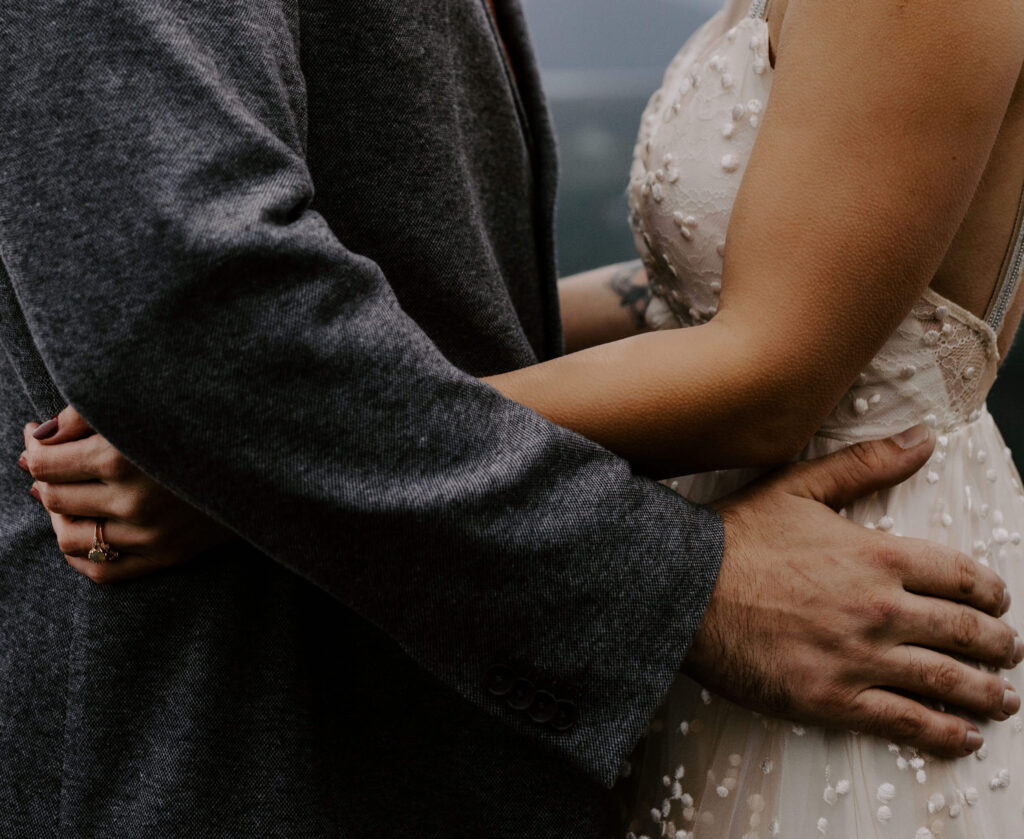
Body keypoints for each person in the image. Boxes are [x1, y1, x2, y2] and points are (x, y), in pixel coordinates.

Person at [4, 0, 1020, 836]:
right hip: (692, 602)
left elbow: (772, 368)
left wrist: (239, 482)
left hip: (854, 587)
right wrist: (245, 446)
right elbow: (191, 298)